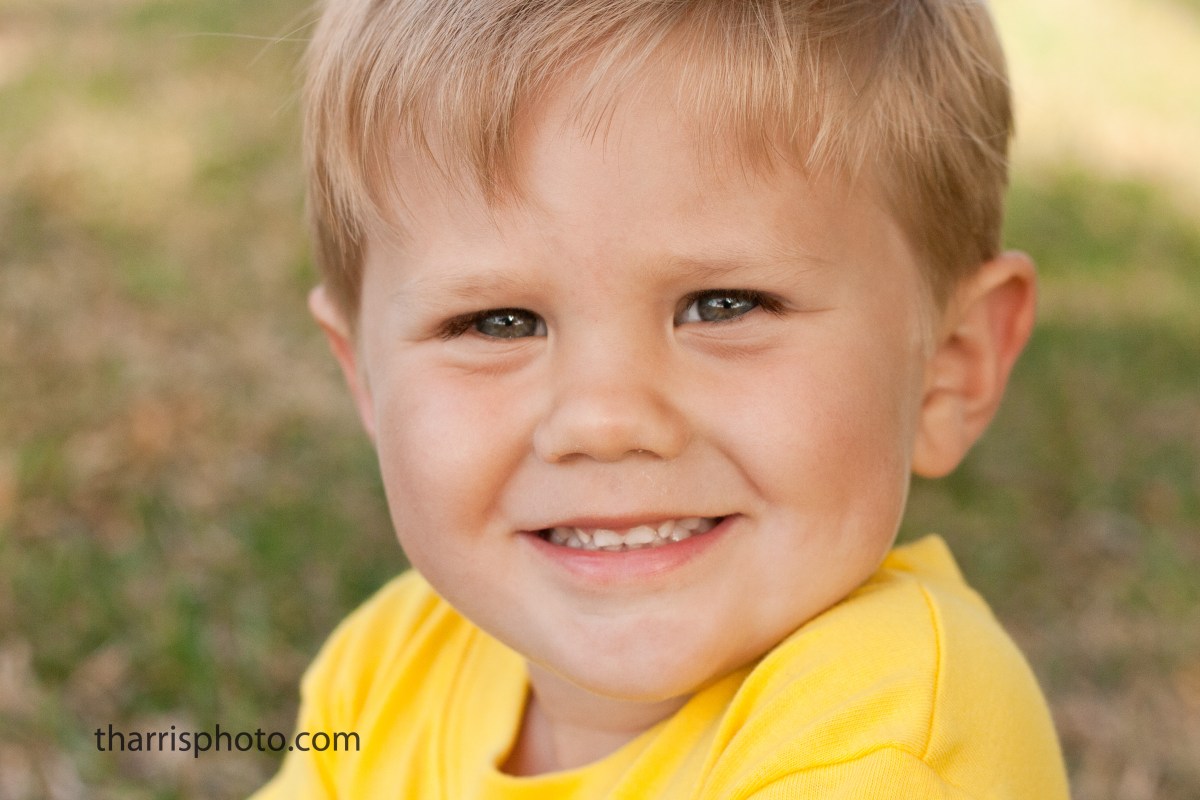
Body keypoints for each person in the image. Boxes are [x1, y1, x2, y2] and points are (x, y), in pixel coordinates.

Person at [253, 0, 1070, 796]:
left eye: (725, 305)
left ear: (950, 369)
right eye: (498, 322)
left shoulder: (881, 737)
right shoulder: (392, 664)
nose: (605, 420)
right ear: (364, 375)